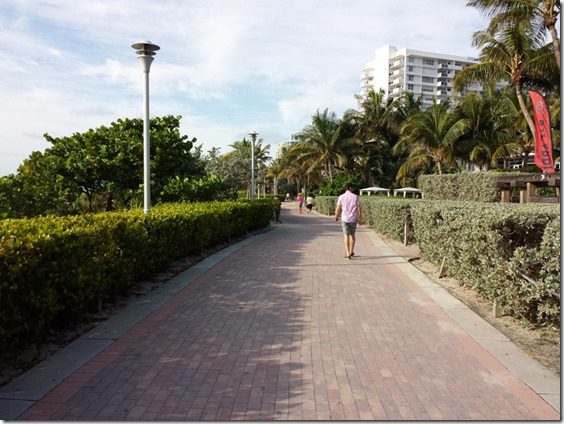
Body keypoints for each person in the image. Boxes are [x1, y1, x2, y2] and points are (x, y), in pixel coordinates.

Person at [335, 183, 362, 260]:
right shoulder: (356, 197)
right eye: (352, 188)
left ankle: (347, 253)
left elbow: (338, 208)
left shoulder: (341, 197)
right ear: (350, 188)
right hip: (353, 219)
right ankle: (351, 251)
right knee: (352, 235)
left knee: (346, 235)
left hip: (344, 219)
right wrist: (360, 218)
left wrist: (336, 216)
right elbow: (359, 208)